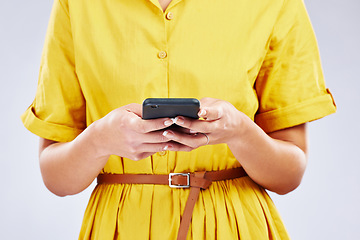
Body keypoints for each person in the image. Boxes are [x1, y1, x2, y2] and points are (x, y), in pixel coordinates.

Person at [21, 0, 336, 239]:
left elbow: (289, 175)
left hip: (234, 225)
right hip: (121, 226)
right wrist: (100, 140)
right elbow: (56, 177)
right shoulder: (77, 5)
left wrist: (239, 132)